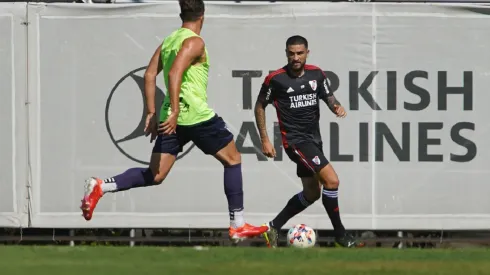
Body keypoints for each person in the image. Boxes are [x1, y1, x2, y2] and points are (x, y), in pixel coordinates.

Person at [80, 0, 268, 243]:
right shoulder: (195, 42)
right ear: (203, 15)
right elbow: (173, 73)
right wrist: (177, 110)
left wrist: (151, 111)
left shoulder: (169, 40)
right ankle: (237, 224)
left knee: (156, 175)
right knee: (233, 159)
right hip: (192, 115)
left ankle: (101, 186)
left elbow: (149, 75)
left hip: (170, 117)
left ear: (182, 14)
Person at [254, 35, 364, 248]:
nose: (295, 57)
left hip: (314, 140)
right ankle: (341, 235)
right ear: (286, 53)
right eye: (291, 53)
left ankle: (274, 227)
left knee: (312, 193)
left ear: (307, 53)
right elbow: (260, 106)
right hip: (295, 142)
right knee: (332, 181)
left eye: (299, 53)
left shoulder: (317, 74)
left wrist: (336, 107)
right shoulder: (275, 79)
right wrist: (265, 140)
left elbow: (329, 97)